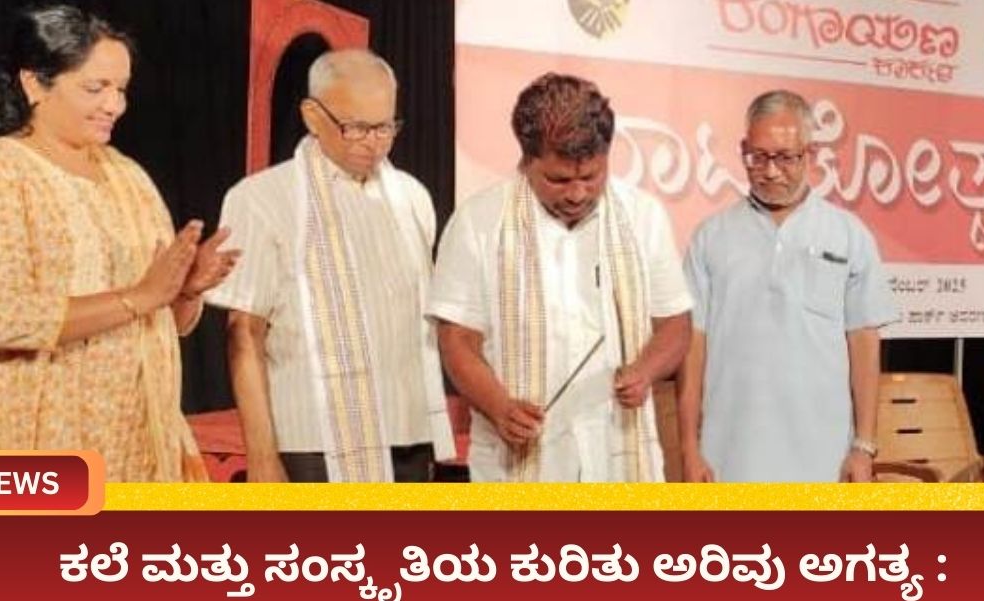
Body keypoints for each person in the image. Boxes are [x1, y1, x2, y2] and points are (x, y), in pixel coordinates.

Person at [0, 5, 237, 482]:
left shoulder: (128, 176)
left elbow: (164, 323)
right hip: (31, 440)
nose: (115, 105)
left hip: (132, 441)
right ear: (35, 84)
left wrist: (184, 290)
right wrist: (140, 297)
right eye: (95, 88)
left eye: (122, 89)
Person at [205, 49, 454, 482]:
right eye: (356, 127)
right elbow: (244, 334)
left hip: (408, 433)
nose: (374, 142)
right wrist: (262, 457)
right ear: (312, 116)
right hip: (312, 439)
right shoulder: (260, 198)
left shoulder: (412, 197)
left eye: (385, 127)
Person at [429, 73, 692, 482]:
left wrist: (646, 370)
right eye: (559, 180)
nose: (577, 194)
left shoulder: (644, 216)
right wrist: (499, 406)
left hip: (618, 457)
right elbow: (457, 339)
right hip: (518, 463)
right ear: (526, 160)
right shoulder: (477, 222)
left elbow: (675, 323)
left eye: (591, 177)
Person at [677, 90, 899, 483]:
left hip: (825, 459)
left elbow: (864, 343)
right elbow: (693, 347)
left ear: (810, 154)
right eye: (758, 157)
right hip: (728, 456)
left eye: (785, 157)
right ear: (743, 150)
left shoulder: (849, 234)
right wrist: (690, 449)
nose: (771, 171)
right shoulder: (710, 237)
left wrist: (863, 446)